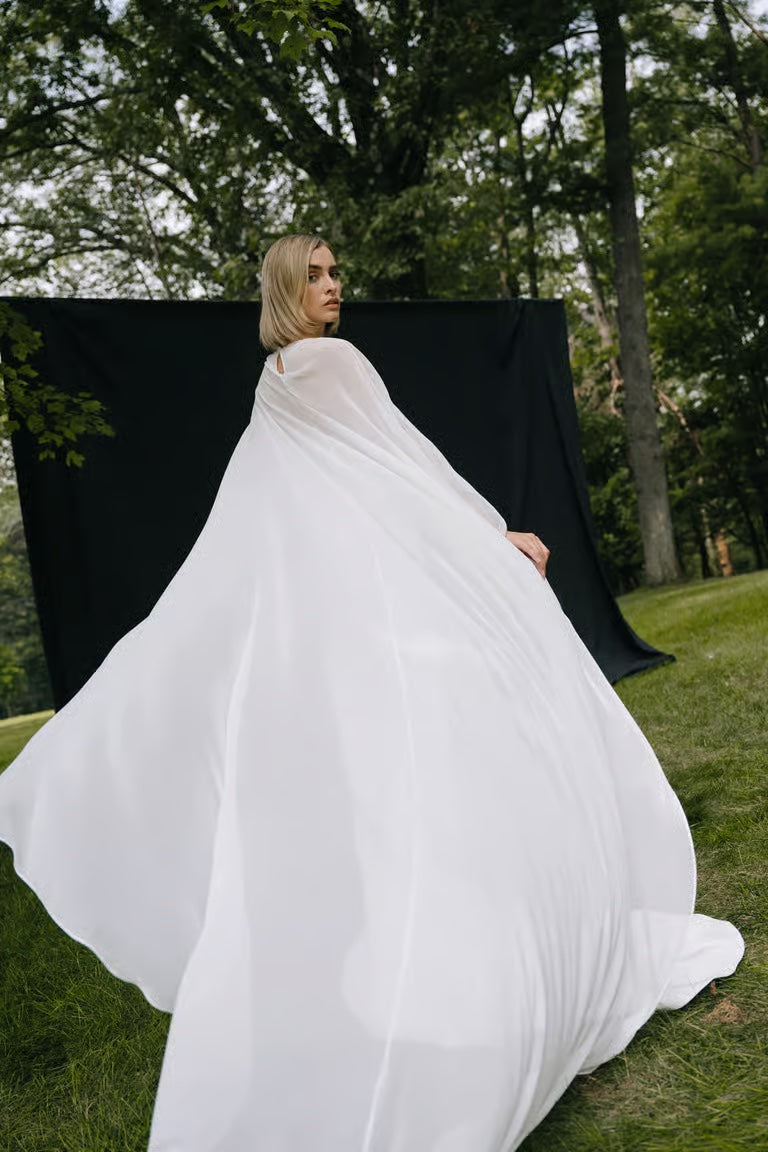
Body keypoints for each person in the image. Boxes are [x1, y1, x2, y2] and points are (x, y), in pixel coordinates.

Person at [0, 233, 744, 1152]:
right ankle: (485, 987)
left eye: (334, 272)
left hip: (346, 624)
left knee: (387, 815)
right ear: (282, 290)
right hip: (375, 617)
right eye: (311, 276)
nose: (332, 287)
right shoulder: (322, 367)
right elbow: (407, 475)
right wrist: (492, 538)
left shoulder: (275, 387)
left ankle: (419, 987)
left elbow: (349, 497)